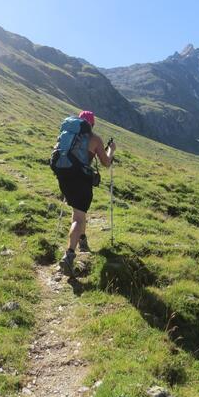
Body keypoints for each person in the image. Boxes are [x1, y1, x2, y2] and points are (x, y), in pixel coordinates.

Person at [55, 110, 116, 275]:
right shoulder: (94, 139)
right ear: (92, 124)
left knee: (77, 211)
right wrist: (111, 150)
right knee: (79, 217)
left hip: (64, 177)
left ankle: (82, 240)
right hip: (81, 180)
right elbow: (106, 163)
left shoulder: (68, 135)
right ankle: (69, 255)